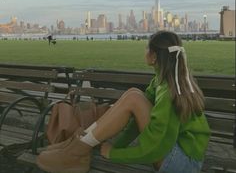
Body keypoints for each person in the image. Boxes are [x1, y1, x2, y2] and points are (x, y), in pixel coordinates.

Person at [37, 31, 210, 173]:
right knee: (133, 94)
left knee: (134, 97)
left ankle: (79, 149)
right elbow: (137, 123)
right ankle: (80, 146)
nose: (144, 51)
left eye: (146, 48)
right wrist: (113, 145)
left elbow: (155, 148)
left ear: (154, 57)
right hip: (174, 155)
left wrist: (114, 154)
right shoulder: (162, 81)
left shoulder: (169, 93)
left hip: (183, 165)